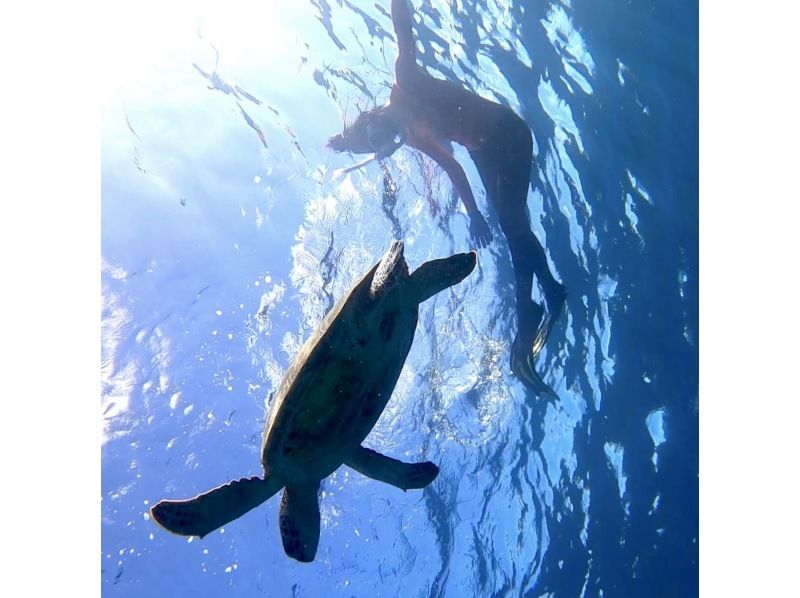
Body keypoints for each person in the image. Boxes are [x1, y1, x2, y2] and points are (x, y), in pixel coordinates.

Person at [327, 0, 566, 394]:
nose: (382, 142)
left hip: (509, 133)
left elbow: (404, 32)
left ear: (372, 118)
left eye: (373, 135)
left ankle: (530, 312)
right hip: (484, 152)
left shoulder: (405, 80)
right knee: (514, 228)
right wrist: (473, 214)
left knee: (513, 225)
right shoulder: (414, 137)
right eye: (375, 147)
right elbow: (453, 168)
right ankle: (549, 293)